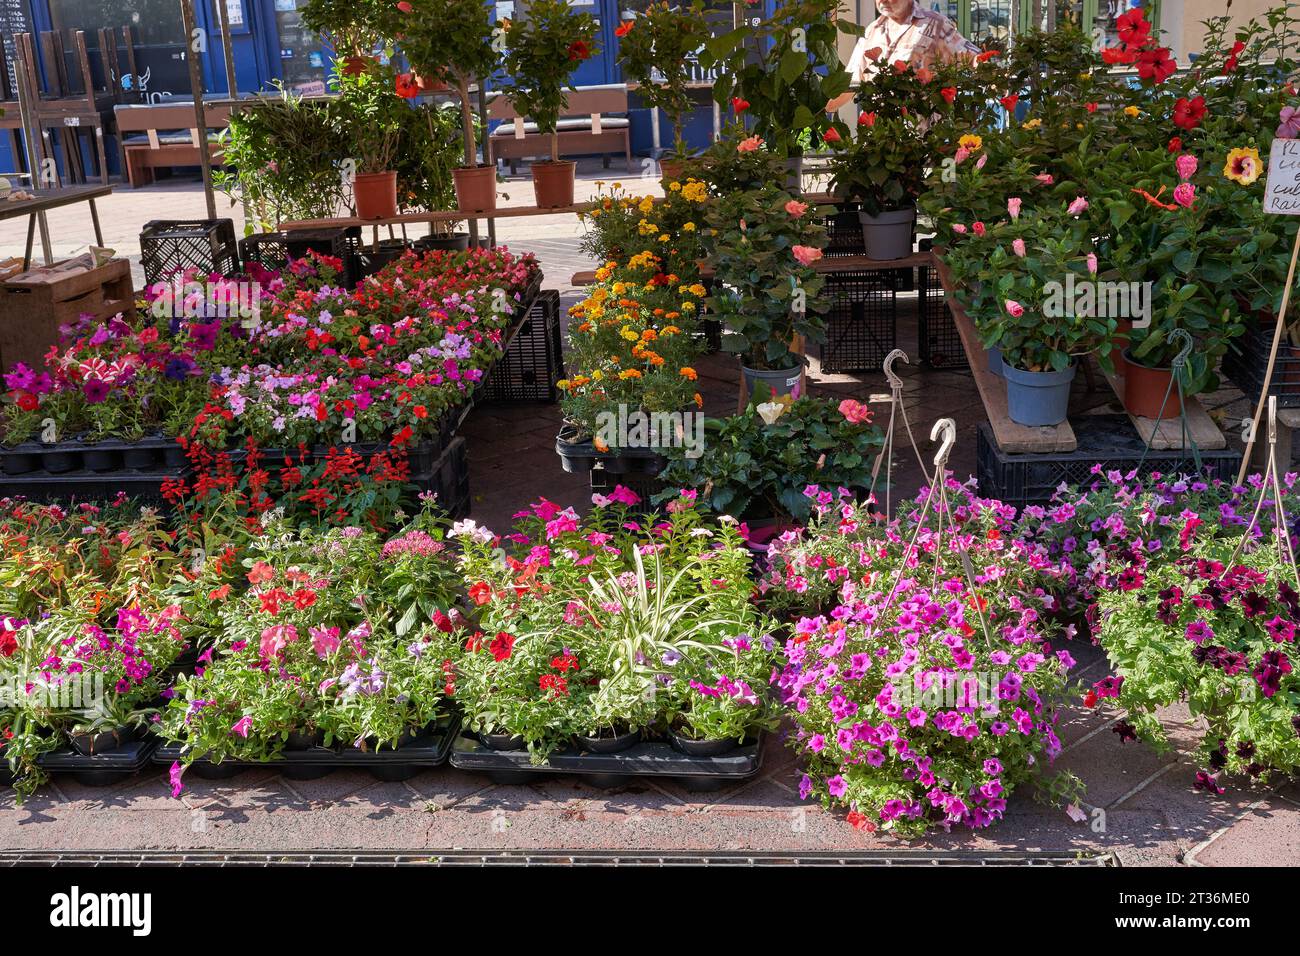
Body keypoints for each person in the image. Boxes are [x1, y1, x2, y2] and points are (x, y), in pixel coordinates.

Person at [827, 1, 979, 111]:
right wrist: (819, 108)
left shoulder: (935, 24)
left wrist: (996, 75)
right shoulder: (872, 30)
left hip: (920, 139)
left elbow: (972, 58)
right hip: (878, 137)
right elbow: (852, 79)